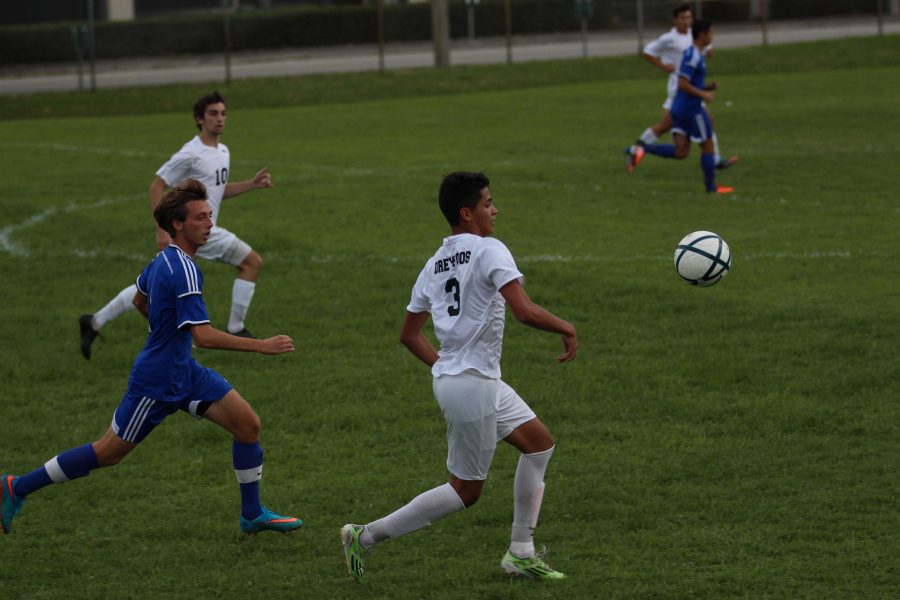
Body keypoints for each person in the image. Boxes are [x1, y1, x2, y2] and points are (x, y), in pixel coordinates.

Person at [4, 179, 302, 536]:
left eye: (210, 216)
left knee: (247, 425)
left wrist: (167, 332)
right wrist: (261, 345)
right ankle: (15, 487)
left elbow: (138, 301)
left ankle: (252, 514)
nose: (209, 223)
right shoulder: (186, 270)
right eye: (200, 218)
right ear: (178, 224)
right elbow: (203, 337)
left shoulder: (164, 259)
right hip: (158, 381)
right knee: (108, 453)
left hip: (185, 371)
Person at [341, 172, 578, 582]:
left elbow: (409, 334)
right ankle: (365, 536)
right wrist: (566, 327)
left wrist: (445, 368)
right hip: (473, 385)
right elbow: (523, 310)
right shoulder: (489, 250)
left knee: (539, 445)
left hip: (468, 380)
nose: (495, 210)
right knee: (465, 492)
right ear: (467, 213)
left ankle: (520, 552)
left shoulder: (433, 264)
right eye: (488, 203)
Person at [80, 91, 272, 359]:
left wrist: (251, 185)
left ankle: (94, 321)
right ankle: (235, 328)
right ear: (199, 119)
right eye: (213, 114)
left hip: (207, 230)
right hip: (189, 232)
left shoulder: (223, 150)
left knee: (153, 285)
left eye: (223, 113)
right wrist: (161, 229)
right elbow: (157, 185)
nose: (220, 119)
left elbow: (218, 190)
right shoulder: (191, 153)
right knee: (247, 263)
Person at [624, 4, 736, 172]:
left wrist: (705, 82)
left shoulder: (696, 35)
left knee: (666, 126)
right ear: (675, 20)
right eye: (683, 18)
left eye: (689, 17)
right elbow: (647, 51)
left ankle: (636, 149)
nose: (686, 21)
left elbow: (707, 53)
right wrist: (663, 66)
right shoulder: (669, 38)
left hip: (689, 88)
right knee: (673, 125)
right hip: (679, 89)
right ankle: (713, 160)